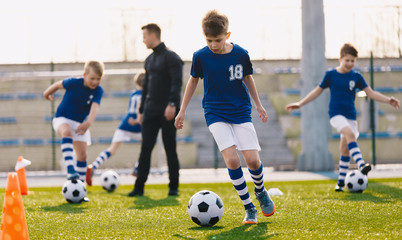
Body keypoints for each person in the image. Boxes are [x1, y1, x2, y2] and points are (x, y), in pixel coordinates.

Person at [174, 10, 275, 224]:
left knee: (253, 160)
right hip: (214, 111)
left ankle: (260, 191)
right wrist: (182, 110)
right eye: (209, 40)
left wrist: (258, 104)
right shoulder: (200, 56)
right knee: (231, 159)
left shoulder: (241, 54)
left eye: (217, 40)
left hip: (240, 111)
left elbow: (247, 78)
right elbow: (193, 81)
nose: (213, 44)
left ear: (227, 35)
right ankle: (249, 207)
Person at [285, 43, 400, 192]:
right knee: (350, 134)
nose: (350, 64)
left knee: (345, 148)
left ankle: (340, 182)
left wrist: (388, 100)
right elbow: (316, 91)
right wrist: (300, 104)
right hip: (336, 115)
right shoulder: (331, 75)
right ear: (340, 59)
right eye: (347, 60)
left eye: (353, 61)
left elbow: (371, 93)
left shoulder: (356, 76)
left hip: (350, 117)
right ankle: (361, 165)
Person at [128, 23, 183, 197]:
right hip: (150, 111)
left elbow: (176, 83)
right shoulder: (149, 60)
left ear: (153, 36)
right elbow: (146, 88)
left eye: (145, 36)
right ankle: (139, 188)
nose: (143, 40)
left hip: (167, 110)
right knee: (145, 149)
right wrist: (141, 109)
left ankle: (173, 187)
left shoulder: (172, 58)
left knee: (170, 148)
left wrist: (172, 105)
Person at [43, 60, 105, 200]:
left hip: (80, 123)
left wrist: (88, 122)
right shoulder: (73, 82)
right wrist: (47, 93)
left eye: (98, 79)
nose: (95, 82)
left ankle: (81, 189)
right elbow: (58, 84)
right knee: (66, 133)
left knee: (82, 156)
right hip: (62, 118)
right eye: (92, 78)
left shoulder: (98, 91)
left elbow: (95, 107)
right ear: (84, 75)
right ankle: (70, 169)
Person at [86, 71, 145, 186]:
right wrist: (137, 120)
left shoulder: (133, 93)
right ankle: (137, 168)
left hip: (124, 125)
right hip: (136, 125)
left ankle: (93, 166)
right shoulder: (144, 95)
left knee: (112, 150)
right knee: (147, 146)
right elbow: (139, 109)